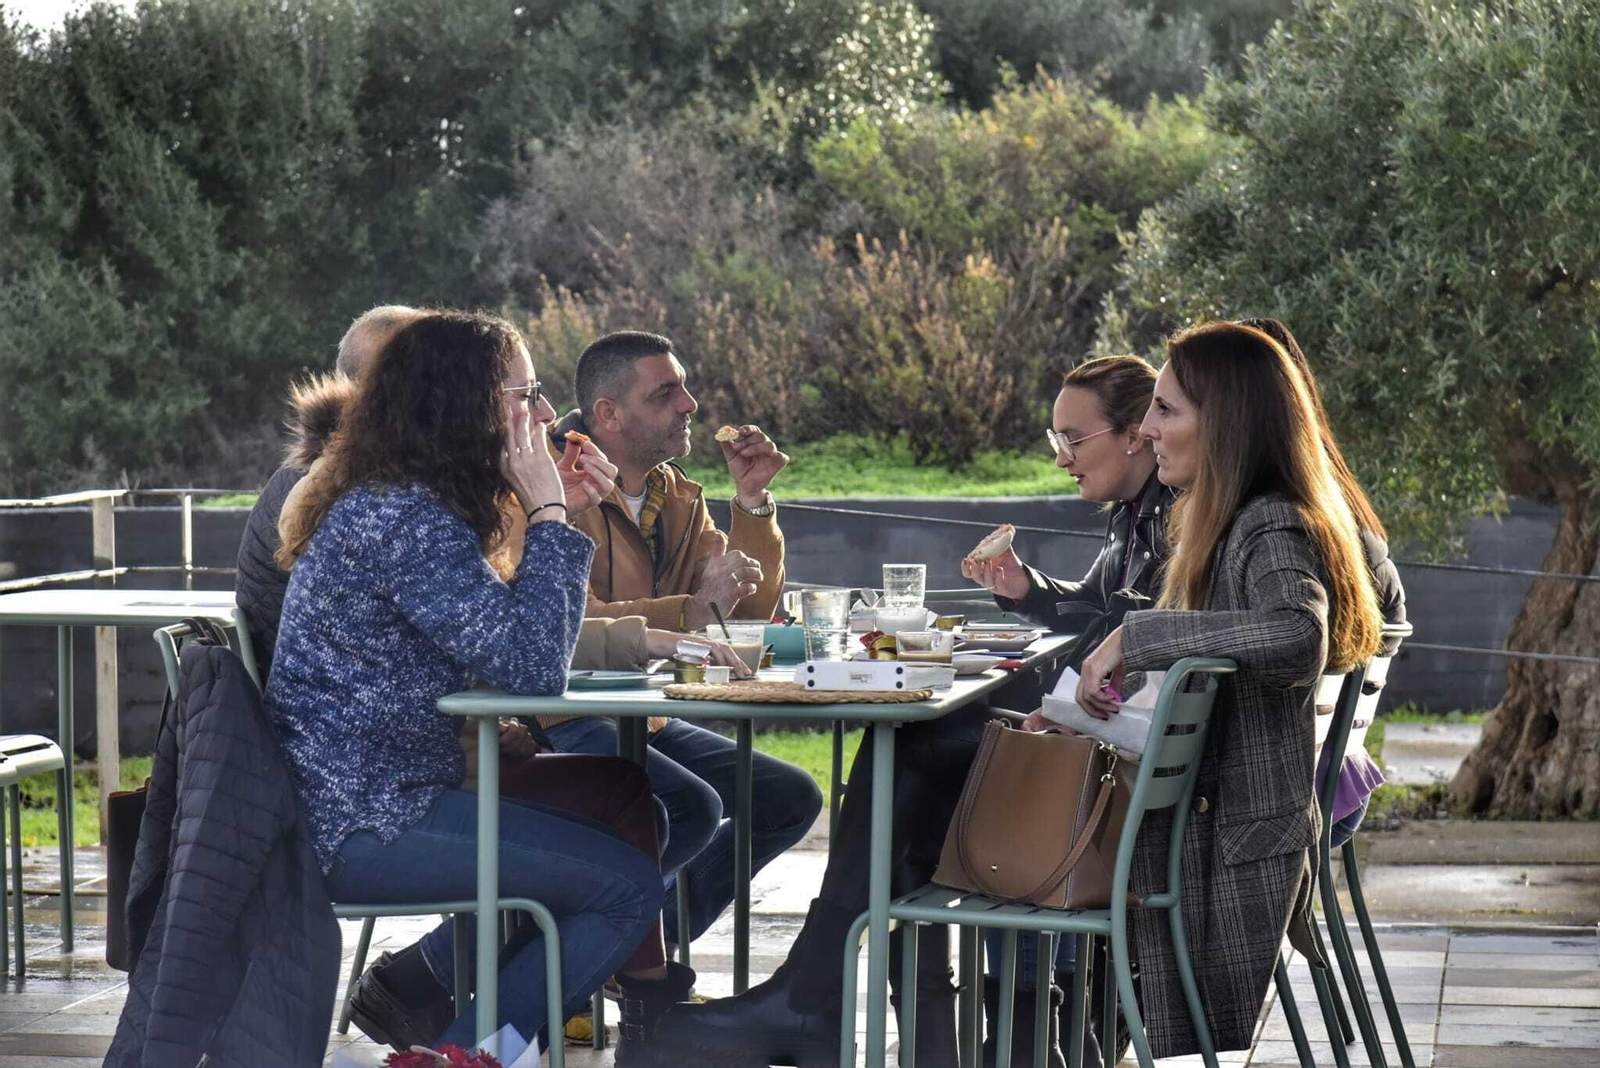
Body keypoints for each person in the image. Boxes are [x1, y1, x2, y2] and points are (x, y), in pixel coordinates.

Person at [654, 355, 1165, 1068]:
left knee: (911, 762)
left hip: (1101, 786)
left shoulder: (1172, 515)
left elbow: (1138, 628)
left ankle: (836, 997)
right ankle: (931, 1025)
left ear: (1136, 434)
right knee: (914, 762)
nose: (1060, 462)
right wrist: (1028, 589)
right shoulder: (1138, 514)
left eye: (1072, 442)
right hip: (1106, 760)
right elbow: (1108, 614)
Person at [267, 311, 693, 1060]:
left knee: (627, 801)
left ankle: (481, 1010)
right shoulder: (402, 519)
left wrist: (550, 510)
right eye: (523, 394)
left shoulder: (408, 502)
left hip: (395, 788)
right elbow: (531, 671)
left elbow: (513, 641)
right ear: (462, 405)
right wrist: (554, 516)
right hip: (363, 820)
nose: (540, 414)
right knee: (625, 887)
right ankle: (464, 1051)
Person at [1070, 320, 1384, 1059]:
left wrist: (1138, 635)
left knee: (993, 853)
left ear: (1228, 424)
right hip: (1217, 833)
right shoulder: (1230, 521)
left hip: (1230, 846)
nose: (1145, 431)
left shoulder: (1269, 523)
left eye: (1166, 411)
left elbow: (1295, 636)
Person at [543, 330, 823, 954]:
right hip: (554, 714)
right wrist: (690, 611)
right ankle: (604, 954)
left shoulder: (677, 495)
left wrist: (751, 504)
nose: (690, 404)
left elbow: (742, 613)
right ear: (608, 414)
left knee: (786, 797)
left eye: (684, 388)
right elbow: (565, 624)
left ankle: (638, 949)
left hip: (642, 716)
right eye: (666, 393)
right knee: (688, 807)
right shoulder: (550, 487)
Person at [1238, 317, 1408, 847]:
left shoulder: (1278, 521)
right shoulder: (1336, 501)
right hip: (1338, 778)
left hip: (1296, 797)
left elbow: (1295, 634)